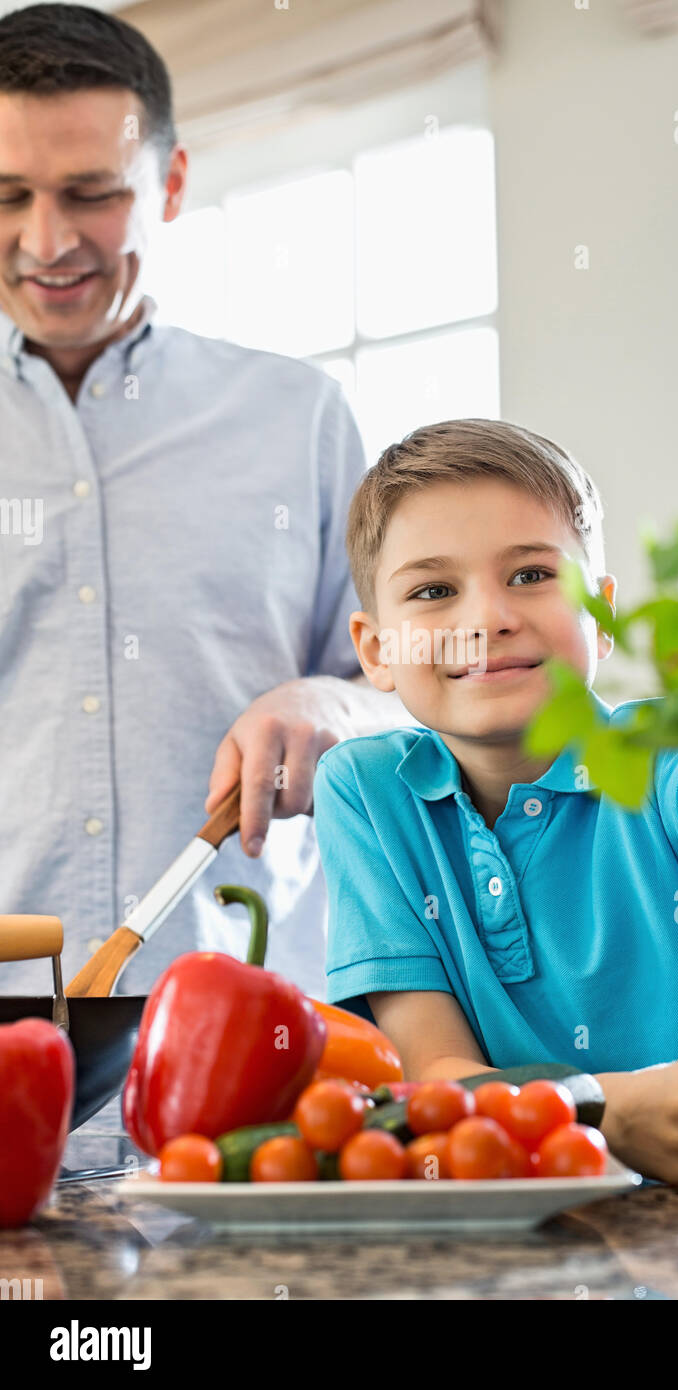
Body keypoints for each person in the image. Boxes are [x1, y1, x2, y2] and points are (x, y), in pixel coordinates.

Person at [0, 3, 406, 1001]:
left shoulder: (297, 417)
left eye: (90, 194)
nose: (45, 241)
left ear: (168, 184)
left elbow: (416, 700)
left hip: (257, 1066)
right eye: (7, 195)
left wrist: (331, 703)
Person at [312, 418, 678, 1185]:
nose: (488, 619)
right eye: (434, 590)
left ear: (602, 616)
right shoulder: (364, 792)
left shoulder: (654, 753)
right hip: (497, 1222)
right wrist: (601, 1108)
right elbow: (436, 1069)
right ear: (377, 650)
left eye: (533, 575)